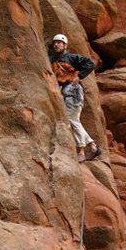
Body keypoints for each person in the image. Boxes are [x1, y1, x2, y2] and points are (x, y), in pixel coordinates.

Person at [49, 34, 102, 163]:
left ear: (65, 45)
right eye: (55, 43)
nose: (56, 45)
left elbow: (90, 63)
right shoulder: (51, 59)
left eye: (59, 43)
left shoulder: (72, 57)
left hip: (73, 91)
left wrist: (79, 77)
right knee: (74, 120)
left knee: (72, 120)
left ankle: (81, 152)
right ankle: (93, 146)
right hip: (64, 92)